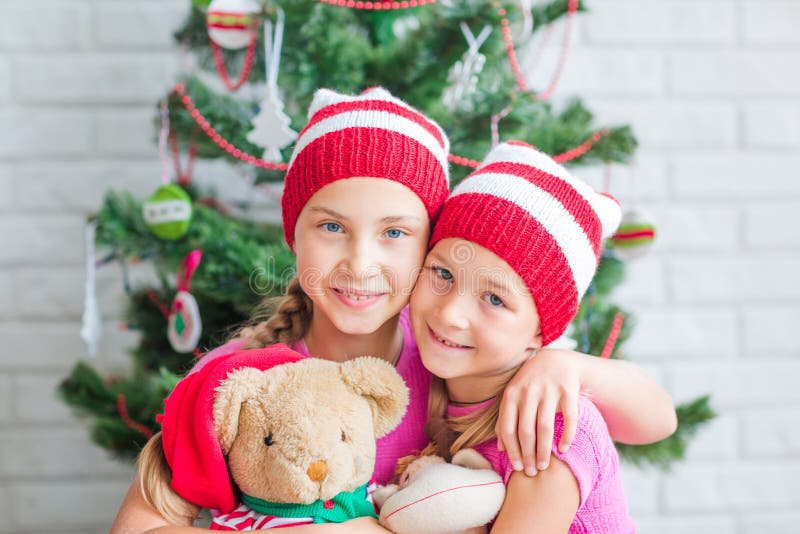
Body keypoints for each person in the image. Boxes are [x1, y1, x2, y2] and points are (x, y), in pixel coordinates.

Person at [110, 90, 675, 534]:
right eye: (331, 227)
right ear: (294, 237)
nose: (360, 263)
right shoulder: (240, 379)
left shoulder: (452, 356)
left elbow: (649, 420)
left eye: (395, 233)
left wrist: (569, 366)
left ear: (428, 246)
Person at [413, 140, 651, 532]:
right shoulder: (424, 380)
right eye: (442, 273)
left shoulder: (550, 428)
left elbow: (657, 416)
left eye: (494, 298)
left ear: (542, 331)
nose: (451, 313)